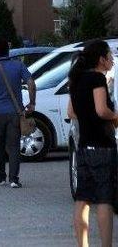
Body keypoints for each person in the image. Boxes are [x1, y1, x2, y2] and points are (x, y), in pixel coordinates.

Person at [67, 40, 116, 247]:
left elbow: (71, 112)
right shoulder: (97, 78)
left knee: (83, 198)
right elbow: (101, 110)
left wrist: (86, 117)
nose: (112, 59)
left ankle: (83, 245)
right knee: (105, 199)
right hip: (102, 144)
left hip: (84, 144)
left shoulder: (77, 79)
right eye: (110, 56)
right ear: (101, 59)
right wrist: (115, 117)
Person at [0, 38, 36, 188]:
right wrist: (32, 102)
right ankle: (14, 179)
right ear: (8, 50)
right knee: (14, 146)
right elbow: (31, 83)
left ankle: (0, 177)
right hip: (15, 112)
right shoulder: (18, 65)